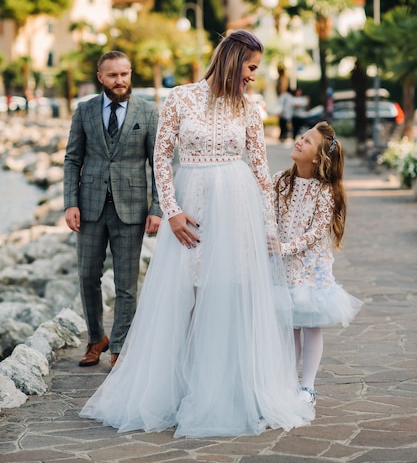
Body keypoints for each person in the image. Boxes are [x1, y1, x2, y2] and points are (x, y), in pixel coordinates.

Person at [80, 29, 314, 437]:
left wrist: (268, 226)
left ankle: (224, 387)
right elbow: (161, 158)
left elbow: (260, 170)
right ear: (233, 59)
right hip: (189, 209)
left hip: (236, 208)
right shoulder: (181, 98)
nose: (254, 76)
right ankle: (178, 388)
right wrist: (171, 212)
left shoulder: (250, 108)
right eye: (252, 67)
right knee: (183, 294)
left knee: (226, 291)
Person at [64, 50, 162, 370]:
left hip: (131, 209)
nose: (120, 81)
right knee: (88, 276)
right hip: (90, 208)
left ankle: (120, 344)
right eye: (112, 75)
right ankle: (96, 339)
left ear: (130, 74)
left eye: (124, 74)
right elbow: (73, 160)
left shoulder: (148, 113)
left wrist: (157, 208)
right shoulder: (85, 111)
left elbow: (158, 165)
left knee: (126, 282)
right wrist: (70, 203)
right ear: (100, 78)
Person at [272, 121, 362, 407]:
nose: (299, 141)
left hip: (310, 267)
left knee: (310, 324)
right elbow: (269, 215)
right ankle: (286, 381)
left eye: (307, 141)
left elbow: (315, 233)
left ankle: (307, 386)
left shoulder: (326, 192)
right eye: (302, 136)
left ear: (317, 158)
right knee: (289, 326)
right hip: (282, 267)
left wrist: (285, 248)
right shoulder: (280, 181)